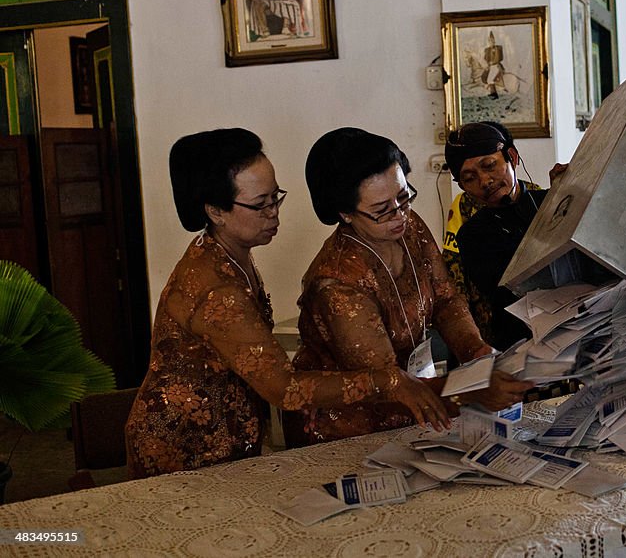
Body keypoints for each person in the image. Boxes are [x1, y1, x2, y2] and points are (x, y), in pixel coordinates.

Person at [124, 129, 448, 478]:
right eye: (260, 205)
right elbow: (284, 388)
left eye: (275, 197)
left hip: (232, 430)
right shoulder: (215, 288)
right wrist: (390, 382)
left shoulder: (228, 254)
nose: (274, 214)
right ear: (216, 210)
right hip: (186, 443)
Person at [284, 128, 532, 445]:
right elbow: (387, 385)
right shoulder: (336, 283)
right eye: (382, 210)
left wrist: (476, 352)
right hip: (347, 426)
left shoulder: (408, 227)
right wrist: (473, 389)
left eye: (403, 197)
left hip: (415, 397)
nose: (400, 215)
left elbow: (445, 300)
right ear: (345, 213)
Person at [444, 122, 550, 351]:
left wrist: (572, 190)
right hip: (521, 343)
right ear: (462, 185)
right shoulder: (472, 235)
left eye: (490, 165)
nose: (485, 181)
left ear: (512, 157)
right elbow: (516, 289)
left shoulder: (550, 200)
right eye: (470, 178)